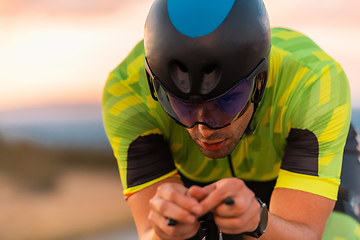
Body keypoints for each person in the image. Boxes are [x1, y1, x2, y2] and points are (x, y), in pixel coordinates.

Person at [102, 0, 359, 239]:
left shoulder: (315, 85)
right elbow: (149, 231)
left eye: (226, 102)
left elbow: (305, 231)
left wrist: (258, 221)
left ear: (260, 81)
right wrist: (163, 233)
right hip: (191, 176)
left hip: (288, 155)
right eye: (182, 105)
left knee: (341, 233)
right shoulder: (127, 93)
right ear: (156, 87)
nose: (204, 129)